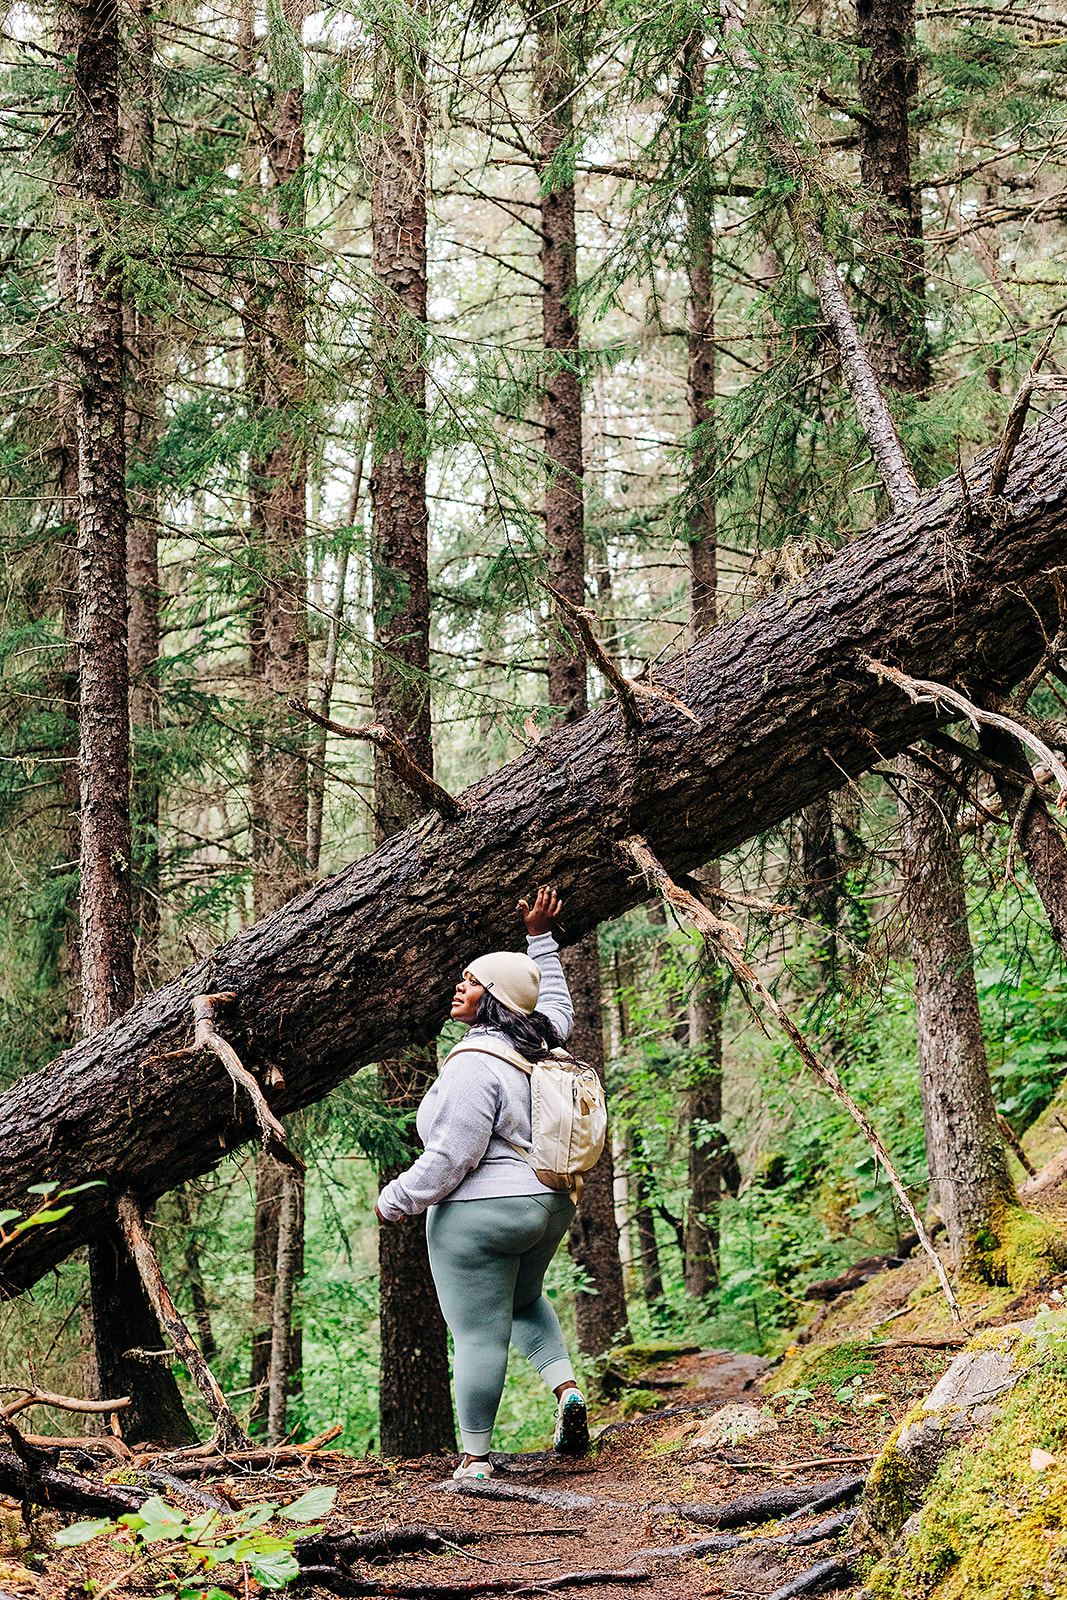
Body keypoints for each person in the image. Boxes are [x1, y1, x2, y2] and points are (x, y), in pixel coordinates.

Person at [375, 885, 589, 1478]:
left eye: (469, 982)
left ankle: (475, 1459)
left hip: (481, 1214)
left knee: (476, 1334)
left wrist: (396, 1200)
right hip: (548, 1203)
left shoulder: (474, 1064)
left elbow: (452, 1156)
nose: (458, 988)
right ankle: (567, 1391)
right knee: (522, 1298)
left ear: (492, 998)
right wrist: (540, 939)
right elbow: (557, 1005)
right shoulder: (545, 1042)